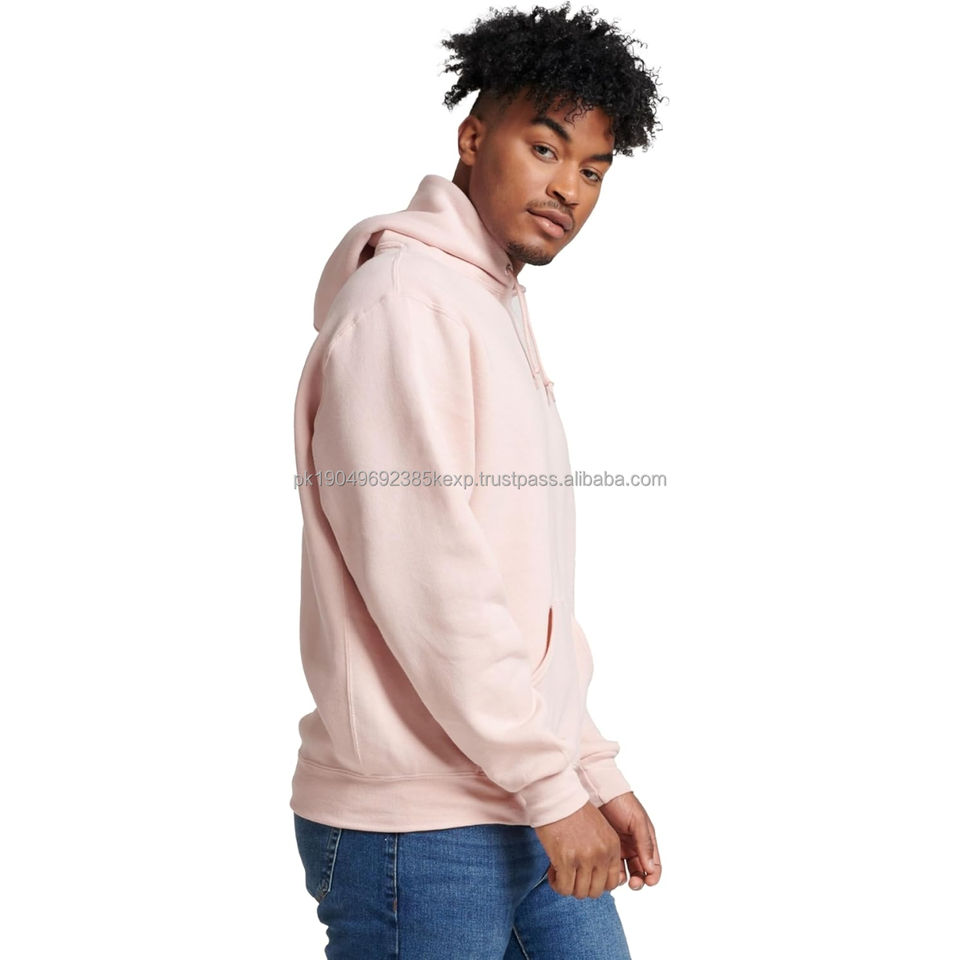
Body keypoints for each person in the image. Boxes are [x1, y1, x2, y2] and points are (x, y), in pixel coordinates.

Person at [290, 4, 664, 957]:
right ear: (472, 138)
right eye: (544, 149)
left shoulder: (489, 304)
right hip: (420, 829)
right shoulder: (406, 306)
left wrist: (589, 766)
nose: (568, 188)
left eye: (593, 169)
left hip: (525, 796)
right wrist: (552, 785)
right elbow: (433, 585)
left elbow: (520, 587)